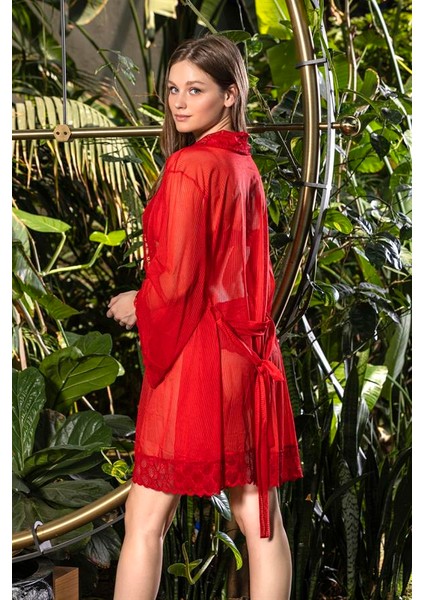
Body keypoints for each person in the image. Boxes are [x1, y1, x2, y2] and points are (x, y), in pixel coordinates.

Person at [106, 34, 303, 600]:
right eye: (173, 89)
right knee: (260, 518)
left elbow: (178, 280)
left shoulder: (190, 166)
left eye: (196, 90)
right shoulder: (242, 164)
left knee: (144, 520)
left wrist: (138, 302)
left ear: (230, 94)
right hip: (251, 354)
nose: (179, 102)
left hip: (199, 360)